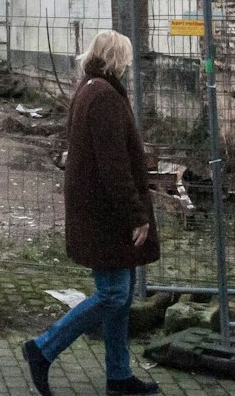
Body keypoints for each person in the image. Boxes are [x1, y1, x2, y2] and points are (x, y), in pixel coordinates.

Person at [24, 30, 161, 396]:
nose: (130, 64)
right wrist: (136, 214)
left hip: (98, 208)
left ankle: (118, 376)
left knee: (121, 293)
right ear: (117, 59)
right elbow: (113, 164)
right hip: (107, 213)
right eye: (127, 58)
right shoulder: (102, 96)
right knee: (114, 295)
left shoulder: (91, 88)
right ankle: (43, 348)